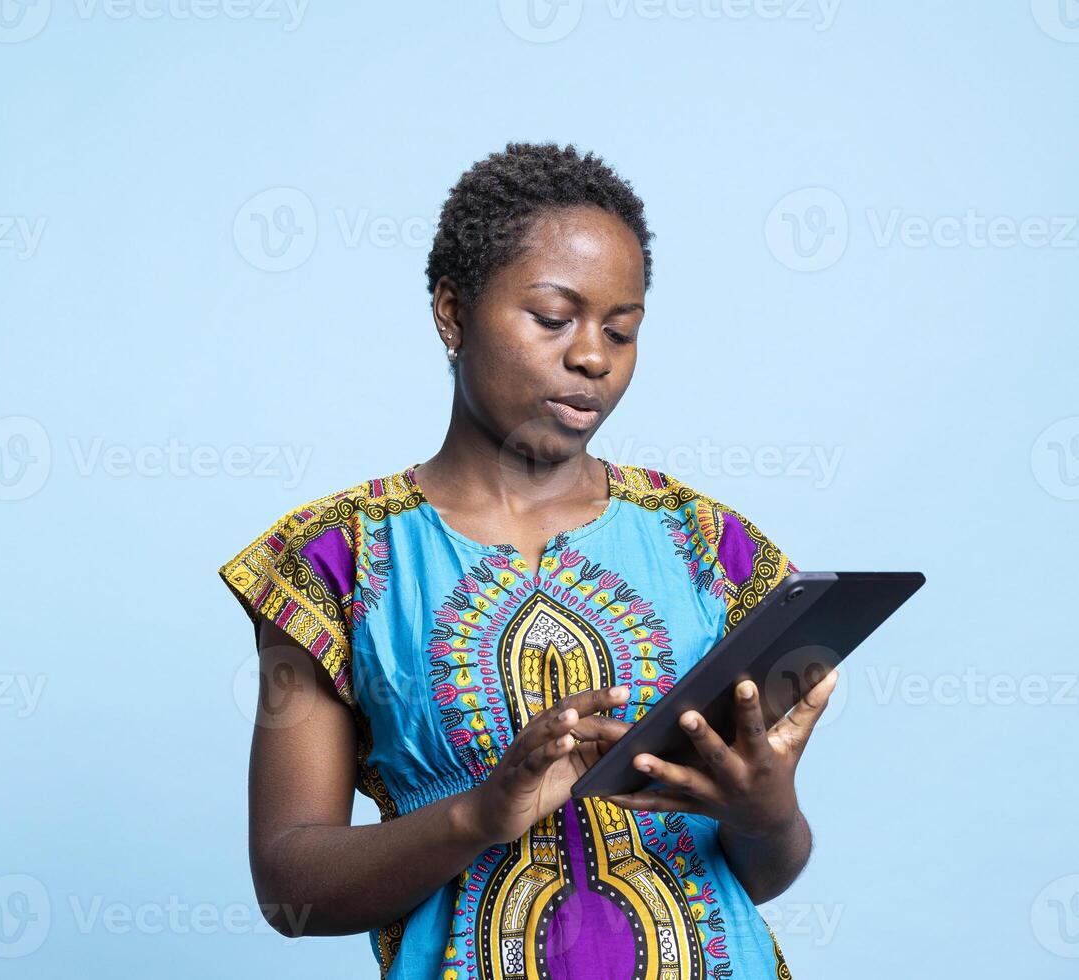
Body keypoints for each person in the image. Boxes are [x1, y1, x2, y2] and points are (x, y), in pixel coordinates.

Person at [217, 142, 839, 980]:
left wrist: (768, 812)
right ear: (452, 312)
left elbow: (763, 872)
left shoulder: (709, 546)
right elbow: (289, 884)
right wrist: (477, 815)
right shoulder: (334, 563)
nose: (594, 357)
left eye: (622, 330)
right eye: (553, 318)